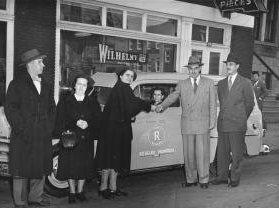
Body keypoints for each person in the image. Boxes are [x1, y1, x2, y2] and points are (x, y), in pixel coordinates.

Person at [4, 49, 56, 208]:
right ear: (31, 64)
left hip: (42, 133)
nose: (43, 65)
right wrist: (22, 129)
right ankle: (19, 201)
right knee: (21, 169)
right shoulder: (16, 84)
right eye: (40, 62)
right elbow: (10, 109)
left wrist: (48, 127)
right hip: (23, 134)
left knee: (39, 167)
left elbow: (52, 109)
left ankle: (35, 197)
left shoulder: (46, 85)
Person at [156, 55, 217, 189]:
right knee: (189, 154)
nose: (193, 71)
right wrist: (162, 105)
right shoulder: (182, 84)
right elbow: (173, 96)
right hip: (187, 123)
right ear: (188, 70)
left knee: (202, 154)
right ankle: (190, 179)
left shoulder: (209, 83)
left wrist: (212, 121)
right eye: (191, 69)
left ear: (200, 69)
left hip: (203, 123)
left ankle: (204, 179)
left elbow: (213, 104)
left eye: (196, 68)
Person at [96, 68, 155, 199]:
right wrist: (149, 105)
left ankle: (110, 187)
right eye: (127, 75)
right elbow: (133, 104)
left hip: (113, 129)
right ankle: (104, 188)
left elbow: (128, 106)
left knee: (111, 159)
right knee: (111, 159)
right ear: (121, 76)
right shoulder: (123, 88)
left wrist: (135, 110)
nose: (129, 78)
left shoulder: (120, 88)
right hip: (114, 130)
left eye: (132, 76)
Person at [53, 74, 101, 204]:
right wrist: (75, 123)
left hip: (86, 139)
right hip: (71, 139)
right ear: (74, 85)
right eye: (79, 84)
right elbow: (60, 120)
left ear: (87, 87)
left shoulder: (92, 102)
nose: (81, 87)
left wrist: (88, 124)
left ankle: (80, 192)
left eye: (84, 85)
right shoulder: (65, 102)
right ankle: (72, 193)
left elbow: (98, 119)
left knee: (84, 167)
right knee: (71, 166)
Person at [212, 52, 254, 188]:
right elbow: (222, 102)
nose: (228, 67)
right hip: (223, 123)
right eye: (227, 64)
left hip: (237, 124)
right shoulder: (222, 83)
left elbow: (250, 104)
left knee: (236, 154)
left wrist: (241, 117)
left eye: (231, 64)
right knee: (222, 154)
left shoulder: (245, 82)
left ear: (237, 66)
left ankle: (235, 178)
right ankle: (222, 177)